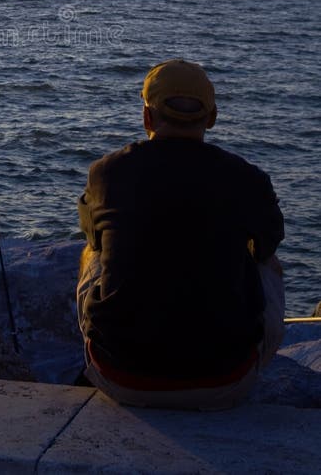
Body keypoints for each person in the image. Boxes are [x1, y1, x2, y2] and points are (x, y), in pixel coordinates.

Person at [77, 58, 285, 410]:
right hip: (226, 381)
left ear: (147, 117)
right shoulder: (248, 179)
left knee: (93, 249)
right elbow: (268, 243)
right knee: (267, 259)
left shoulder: (107, 173)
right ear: (212, 118)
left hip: (121, 376)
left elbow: (94, 236)